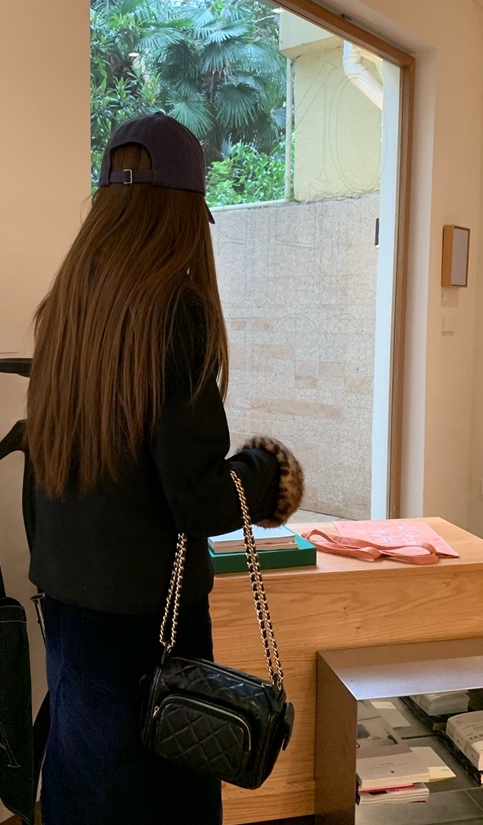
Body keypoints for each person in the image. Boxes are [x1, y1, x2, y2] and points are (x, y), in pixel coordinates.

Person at [25, 111, 303, 825]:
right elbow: (199, 499)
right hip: (148, 625)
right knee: (162, 800)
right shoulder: (174, 315)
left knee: (82, 789)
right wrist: (267, 473)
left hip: (66, 606)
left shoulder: (65, 313)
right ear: (183, 216)